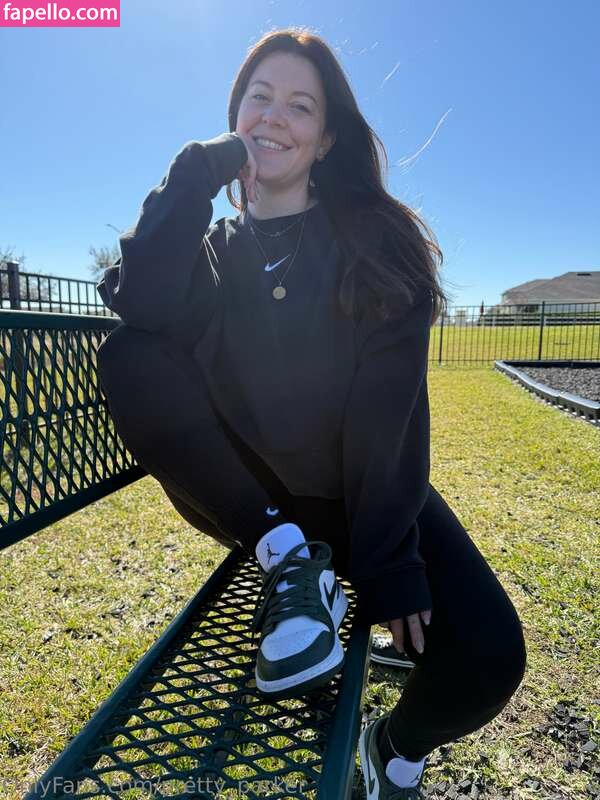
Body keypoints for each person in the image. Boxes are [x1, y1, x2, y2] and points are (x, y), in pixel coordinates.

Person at [95, 27, 527, 800]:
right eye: (258, 98)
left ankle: (390, 750)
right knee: (130, 353)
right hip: (261, 509)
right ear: (235, 117)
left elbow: (390, 419)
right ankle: (290, 561)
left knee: (491, 655)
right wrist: (196, 171)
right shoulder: (211, 251)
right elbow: (143, 303)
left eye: (300, 106)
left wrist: (390, 561)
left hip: (366, 491)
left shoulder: (377, 247)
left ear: (327, 139)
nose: (274, 116)